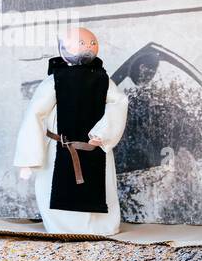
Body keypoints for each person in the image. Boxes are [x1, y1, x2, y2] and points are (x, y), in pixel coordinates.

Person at [14, 26, 129, 235]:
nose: (88, 47)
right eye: (83, 43)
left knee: (101, 188)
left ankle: (99, 227)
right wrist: (29, 159)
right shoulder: (55, 82)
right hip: (59, 149)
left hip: (91, 148)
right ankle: (66, 227)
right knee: (55, 187)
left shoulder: (101, 80)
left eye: (91, 43)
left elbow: (119, 103)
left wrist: (102, 133)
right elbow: (35, 115)